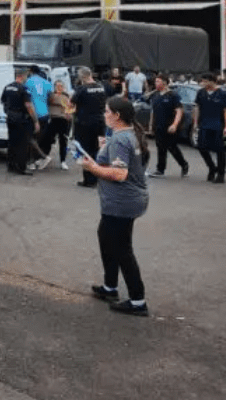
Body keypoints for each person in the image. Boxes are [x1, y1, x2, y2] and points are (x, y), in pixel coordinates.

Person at [79, 97, 150, 317]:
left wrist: (92, 168)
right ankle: (110, 287)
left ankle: (138, 301)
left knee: (122, 249)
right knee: (106, 238)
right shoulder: (126, 135)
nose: (104, 114)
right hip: (123, 201)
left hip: (122, 202)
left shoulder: (121, 138)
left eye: (107, 111)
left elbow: (119, 174)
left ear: (117, 116)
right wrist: (104, 149)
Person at [71, 67, 108, 188]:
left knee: (85, 151)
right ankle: (98, 176)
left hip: (84, 124)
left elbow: (71, 104)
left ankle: (89, 180)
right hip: (100, 122)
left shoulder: (81, 89)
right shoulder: (101, 87)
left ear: (81, 77)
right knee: (98, 149)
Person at [147, 74, 189, 178]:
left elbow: (179, 111)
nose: (155, 83)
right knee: (160, 147)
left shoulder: (173, 95)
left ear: (165, 83)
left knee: (172, 147)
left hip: (170, 126)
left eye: (158, 81)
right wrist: (150, 125)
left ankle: (184, 164)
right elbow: (153, 111)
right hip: (158, 125)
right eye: (155, 81)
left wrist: (175, 125)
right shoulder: (155, 95)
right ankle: (160, 170)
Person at [1, 67, 39, 176]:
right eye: (26, 76)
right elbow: (28, 105)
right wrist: (35, 120)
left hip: (10, 118)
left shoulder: (7, 87)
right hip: (21, 118)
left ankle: (11, 165)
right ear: (22, 76)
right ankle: (21, 168)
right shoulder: (23, 88)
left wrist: (8, 112)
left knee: (12, 142)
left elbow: (3, 101)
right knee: (22, 144)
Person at [195, 73, 226, 184]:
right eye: (202, 81)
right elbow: (197, 107)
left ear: (212, 81)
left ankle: (221, 174)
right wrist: (195, 123)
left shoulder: (222, 93)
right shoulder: (201, 93)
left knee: (219, 149)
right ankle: (212, 167)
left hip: (217, 125)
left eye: (205, 81)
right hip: (204, 124)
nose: (203, 83)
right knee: (201, 147)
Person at [25, 65, 54, 170]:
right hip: (44, 114)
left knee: (30, 138)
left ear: (31, 71)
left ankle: (35, 160)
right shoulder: (47, 83)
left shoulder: (28, 82)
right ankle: (36, 160)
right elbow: (51, 98)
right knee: (38, 138)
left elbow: (26, 98)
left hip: (33, 114)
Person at [48, 80, 72, 170]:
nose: (59, 88)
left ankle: (63, 161)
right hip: (54, 119)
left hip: (64, 120)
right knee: (48, 139)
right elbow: (53, 101)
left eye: (61, 86)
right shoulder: (52, 95)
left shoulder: (66, 95)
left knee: (63, 141)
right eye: (57, 86)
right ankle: (44, 157)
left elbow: (69, 106)